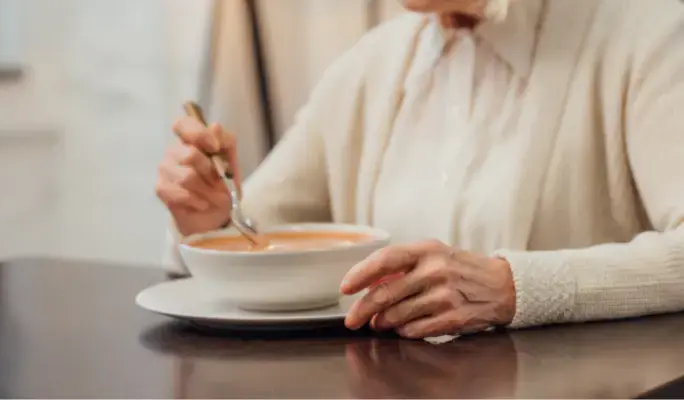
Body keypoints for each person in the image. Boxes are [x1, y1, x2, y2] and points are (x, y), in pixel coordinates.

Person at [156, 0, 684, 339]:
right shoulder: (371, 64)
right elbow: (245, 235)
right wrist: (206, 219)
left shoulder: (650, 34)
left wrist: (513, 287)